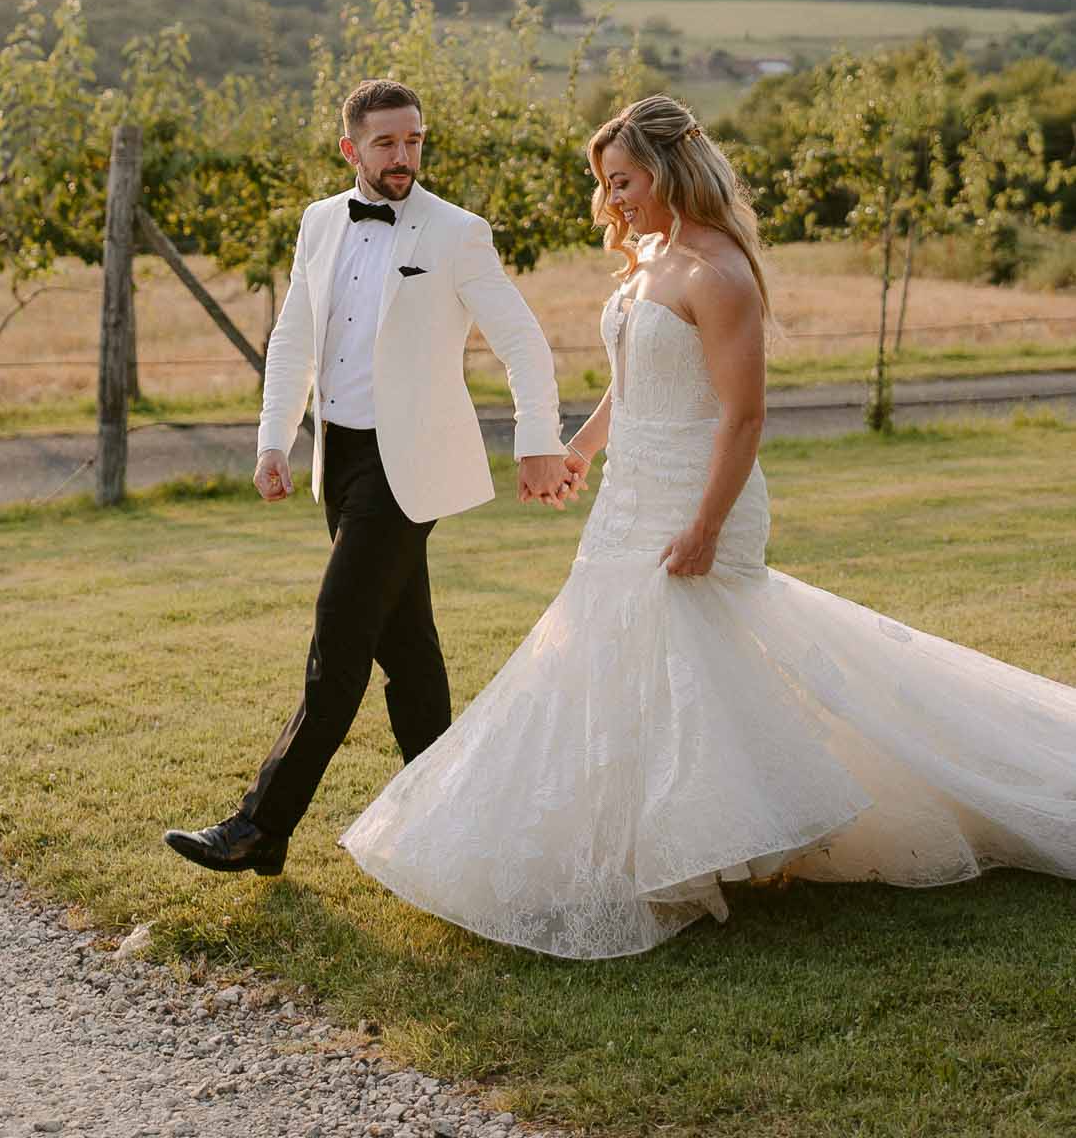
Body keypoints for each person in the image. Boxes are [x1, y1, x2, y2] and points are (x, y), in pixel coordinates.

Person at [342, 95, 1076, 957]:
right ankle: (654, 842)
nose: (612, 201)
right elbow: (638, 380)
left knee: (675, 660)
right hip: (630, 490)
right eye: (605, 185)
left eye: (622, 181)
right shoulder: (652, 255)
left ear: (667, 171)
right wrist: (579, 447)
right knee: (617, 660)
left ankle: (702, 846)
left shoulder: (719, 273)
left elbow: (743, 418)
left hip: (697, 492)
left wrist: (703, 527)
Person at [164, 76, 574, 878]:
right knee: (408, 653)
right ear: (349, 148)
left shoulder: (457, 232)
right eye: (385, 143)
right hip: (341, 459)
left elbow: (522, 341)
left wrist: (535, 440)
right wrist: (273, 440)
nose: (402, 156)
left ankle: (256, 825)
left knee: (339, 641)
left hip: (408, 463)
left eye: (414, 140)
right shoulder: (319, 221)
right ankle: (454, 825)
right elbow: (293, 338)